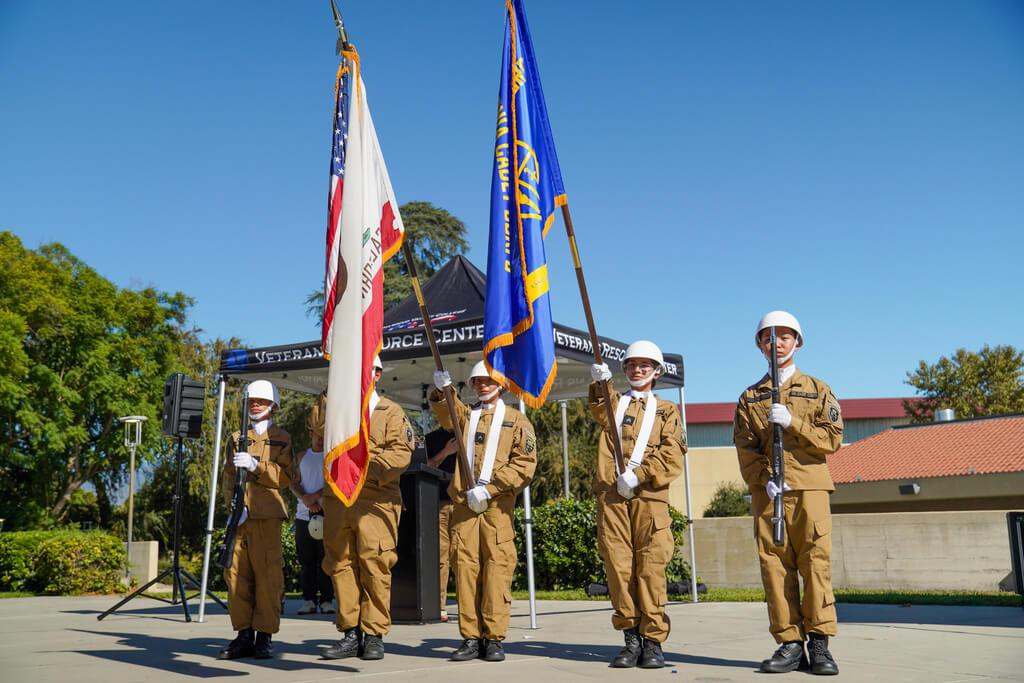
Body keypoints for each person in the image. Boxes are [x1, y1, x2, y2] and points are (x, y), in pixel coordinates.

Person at [733, 311, 842, 675]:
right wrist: (764, 478)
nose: (776, 343)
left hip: (810, 487)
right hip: (771, 492)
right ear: (760, 345)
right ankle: (789, 644)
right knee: (775, 567)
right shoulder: (750, 398)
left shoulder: (818, 389)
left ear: (798, 342)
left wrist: (792, 422)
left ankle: (820, 644)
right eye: (768, 337)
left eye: (784, 337)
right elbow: (745, 449)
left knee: (815, 565)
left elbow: (832, 440)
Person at [431, 361, 536, 663]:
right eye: (477, 381)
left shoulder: (516, 420)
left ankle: (493, 638)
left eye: (488, 380)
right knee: (465, 571)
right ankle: (470, 637)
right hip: (464, 508)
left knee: (496, 571)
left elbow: (524, 465)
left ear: (501, 383)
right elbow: (445, 412)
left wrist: (489, 490)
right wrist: (442, 391)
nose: (482, 385)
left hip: (496, 509)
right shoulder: (466, 416)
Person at [589, 341, 685, 669]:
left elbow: (673, 454)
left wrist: (641, 474)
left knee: (650, 569)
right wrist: (599, 383)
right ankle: (630, 637)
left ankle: (653, 640)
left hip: (650, 498)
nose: (638, 370)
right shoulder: (615, 405)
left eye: (645, 365)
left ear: (656, 372)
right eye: (632, 365)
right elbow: (599, 408)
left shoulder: (667, 410)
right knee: (619, 568)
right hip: (613, 498)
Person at [322, 356, 414, 661]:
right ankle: (350, 632)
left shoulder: (391, 412)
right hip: (340, 498)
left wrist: (364, 461)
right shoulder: (337, 411)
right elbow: (318, 445)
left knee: (375, 564)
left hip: (376, 498)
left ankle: (373, 633)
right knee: (341, 564)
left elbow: (401, 455)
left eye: (366, 371)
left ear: (377, 374)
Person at [218, 379, 294, 660]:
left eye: (261, 401)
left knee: (268, 577)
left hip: (267, 516)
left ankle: (264, 636)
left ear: (273, 405)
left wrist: (256, 466)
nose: (256, 405)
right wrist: (233, 510)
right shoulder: (236, 436)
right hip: (241, 518)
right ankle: (243, 634)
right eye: (252, 401)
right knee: (235, 575)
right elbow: (227, 479)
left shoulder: (282, 438)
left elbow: (287, 477)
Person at [290, 392, 335, 615]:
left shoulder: (331, 457)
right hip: (303, 515)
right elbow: (292, 482)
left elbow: (333, 482)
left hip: (326, 512)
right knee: (306, 560)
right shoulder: (300, 456)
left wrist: (315, 496)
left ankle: (327, 600)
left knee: (325, 559)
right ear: (310, 433)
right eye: (316, 434)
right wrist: (305, 499)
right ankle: (308, 599)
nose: (320, 438)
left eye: (323, 434)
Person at [425, 427, 458, 621]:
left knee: (464, 556)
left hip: (465, 503)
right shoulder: (431, 439)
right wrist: (446, 452)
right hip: (440, 505)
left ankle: (470, 607)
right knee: (440, 556)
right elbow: (424, 466)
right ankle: (439, 605)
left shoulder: (471, 432)